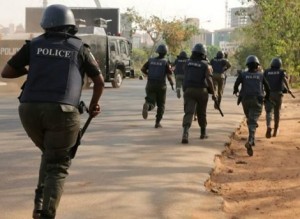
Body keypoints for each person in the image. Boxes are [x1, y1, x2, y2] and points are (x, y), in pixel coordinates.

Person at [1, 4, 105, 219]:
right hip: (63, 112)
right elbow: (99, 81)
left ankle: (39, 207)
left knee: (50, 155)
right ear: (70, 25)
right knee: (58, 164)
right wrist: (94, 105)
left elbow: (7, 72)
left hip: (28, 110)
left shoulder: (34, 45)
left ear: (45, 23)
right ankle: (46, 214)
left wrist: (30, 69)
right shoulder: (79, 48)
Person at [233, 55, 270, 156]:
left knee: (250, 118)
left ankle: (252, 139)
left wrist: (235, 91)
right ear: (257, 66)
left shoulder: (243, 74)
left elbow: (236, 84)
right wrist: (267, 98)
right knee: (253, 121)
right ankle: (250, 141)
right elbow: (267, 88)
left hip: (245, 100)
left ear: (247, 65)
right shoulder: (261, 75)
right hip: (257, 100)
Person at [181, 43, 217, 144]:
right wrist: (214, 93)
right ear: (203, 54)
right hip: (201, 91)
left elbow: (186, 74)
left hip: (188, 90)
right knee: (202, 112)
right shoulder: (206, 65)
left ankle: (185, 133)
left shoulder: (187, 63)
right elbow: (209, 79)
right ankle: (203, 133)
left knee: (189, 112)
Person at [141, 44, 174, 128]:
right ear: (165, 52)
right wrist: (172, 83)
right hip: (161, 86)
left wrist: (149, 75)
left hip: (150, 84)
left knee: (150, 101)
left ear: (157, 51)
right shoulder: (165, 62)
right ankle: (157, 122)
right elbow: (169, 74)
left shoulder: (151, 60)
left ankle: (147, 106)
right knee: (161, 105)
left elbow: (142, 69)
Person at [263, 57, 291, 138]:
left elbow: (262, 81)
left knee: (268, 112)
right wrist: (288, 89)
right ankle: (275, 130)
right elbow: (285, 80)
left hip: (269, 95)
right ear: (279, 64)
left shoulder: (266, 71)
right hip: (278, 95)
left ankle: (268, 126)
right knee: (277, 112)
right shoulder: (281, 71)